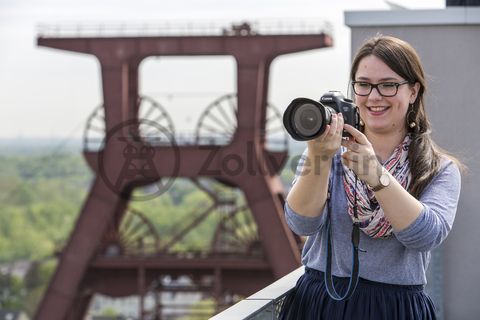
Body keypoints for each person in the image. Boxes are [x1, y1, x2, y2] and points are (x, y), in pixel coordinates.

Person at [279, 35, 463, 320]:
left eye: (388, 85)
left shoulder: (438, 168)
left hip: (394, 309)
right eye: (363, 85)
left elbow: (426, 236)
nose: (374, 96)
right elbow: (301, 222)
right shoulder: (326, 152)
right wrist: (319, 157)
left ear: (413, 91)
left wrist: (376, 175)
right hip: (320, 303)